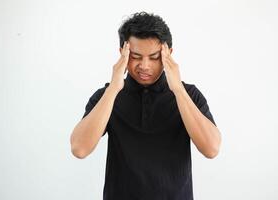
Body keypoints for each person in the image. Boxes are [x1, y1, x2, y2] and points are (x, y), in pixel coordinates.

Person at [70, 11, 221, 200]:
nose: (145, 65)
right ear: (123, 53)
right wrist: (114, 88)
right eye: (136, 56)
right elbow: (79, 149)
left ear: (168, 54)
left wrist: (177, 89)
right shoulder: (107, 96)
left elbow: (211, 149)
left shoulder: (189, 95)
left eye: (154, 57)